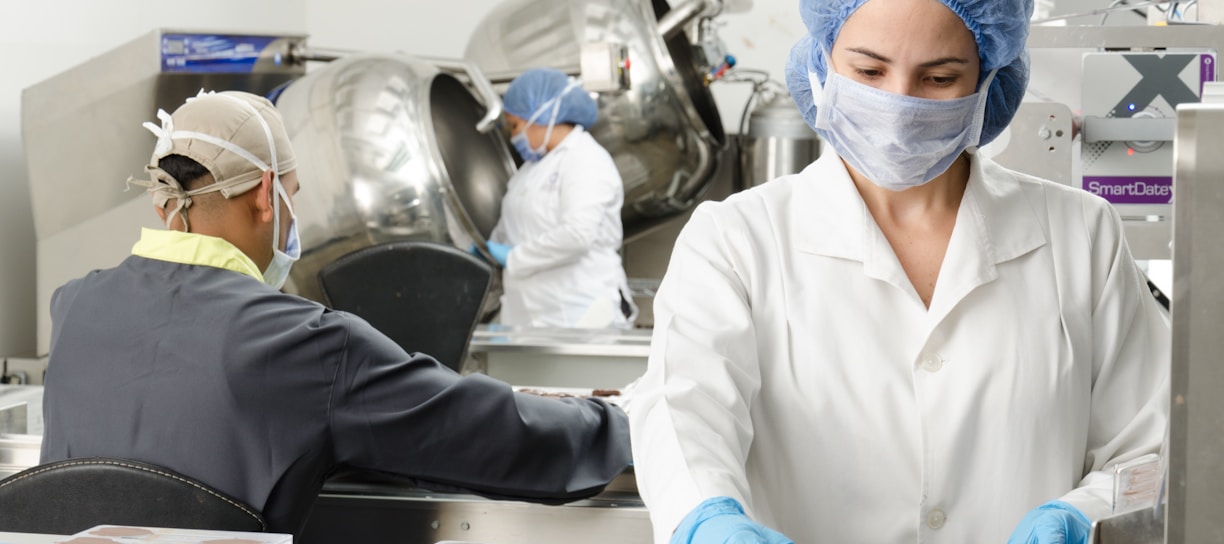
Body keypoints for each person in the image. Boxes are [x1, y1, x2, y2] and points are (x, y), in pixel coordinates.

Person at [628, 0, 1170, 543]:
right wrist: (708, 520)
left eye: (939, 77)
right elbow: (684, 416)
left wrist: (1083, 518)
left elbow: (1147, 444)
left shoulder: (1081, 233)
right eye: (868, 71)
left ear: (988, 77)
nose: (898, 102)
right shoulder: (736, 239)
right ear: (822, 59)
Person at [40, 90, 633, 534]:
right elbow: (491, 434)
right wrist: (627, 422)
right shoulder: (302, 343)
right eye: (293, 197)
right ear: (266, 196)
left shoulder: (72, 308)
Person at [482, 67, 638, 329]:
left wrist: (514, 257)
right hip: (530, 318)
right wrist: (488, 248)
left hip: (582, 315)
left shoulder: (585, 159)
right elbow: (516, 224)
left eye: (516, 125)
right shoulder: (531, 169)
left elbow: (578, 235)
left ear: (542, 114)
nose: (513, 136)